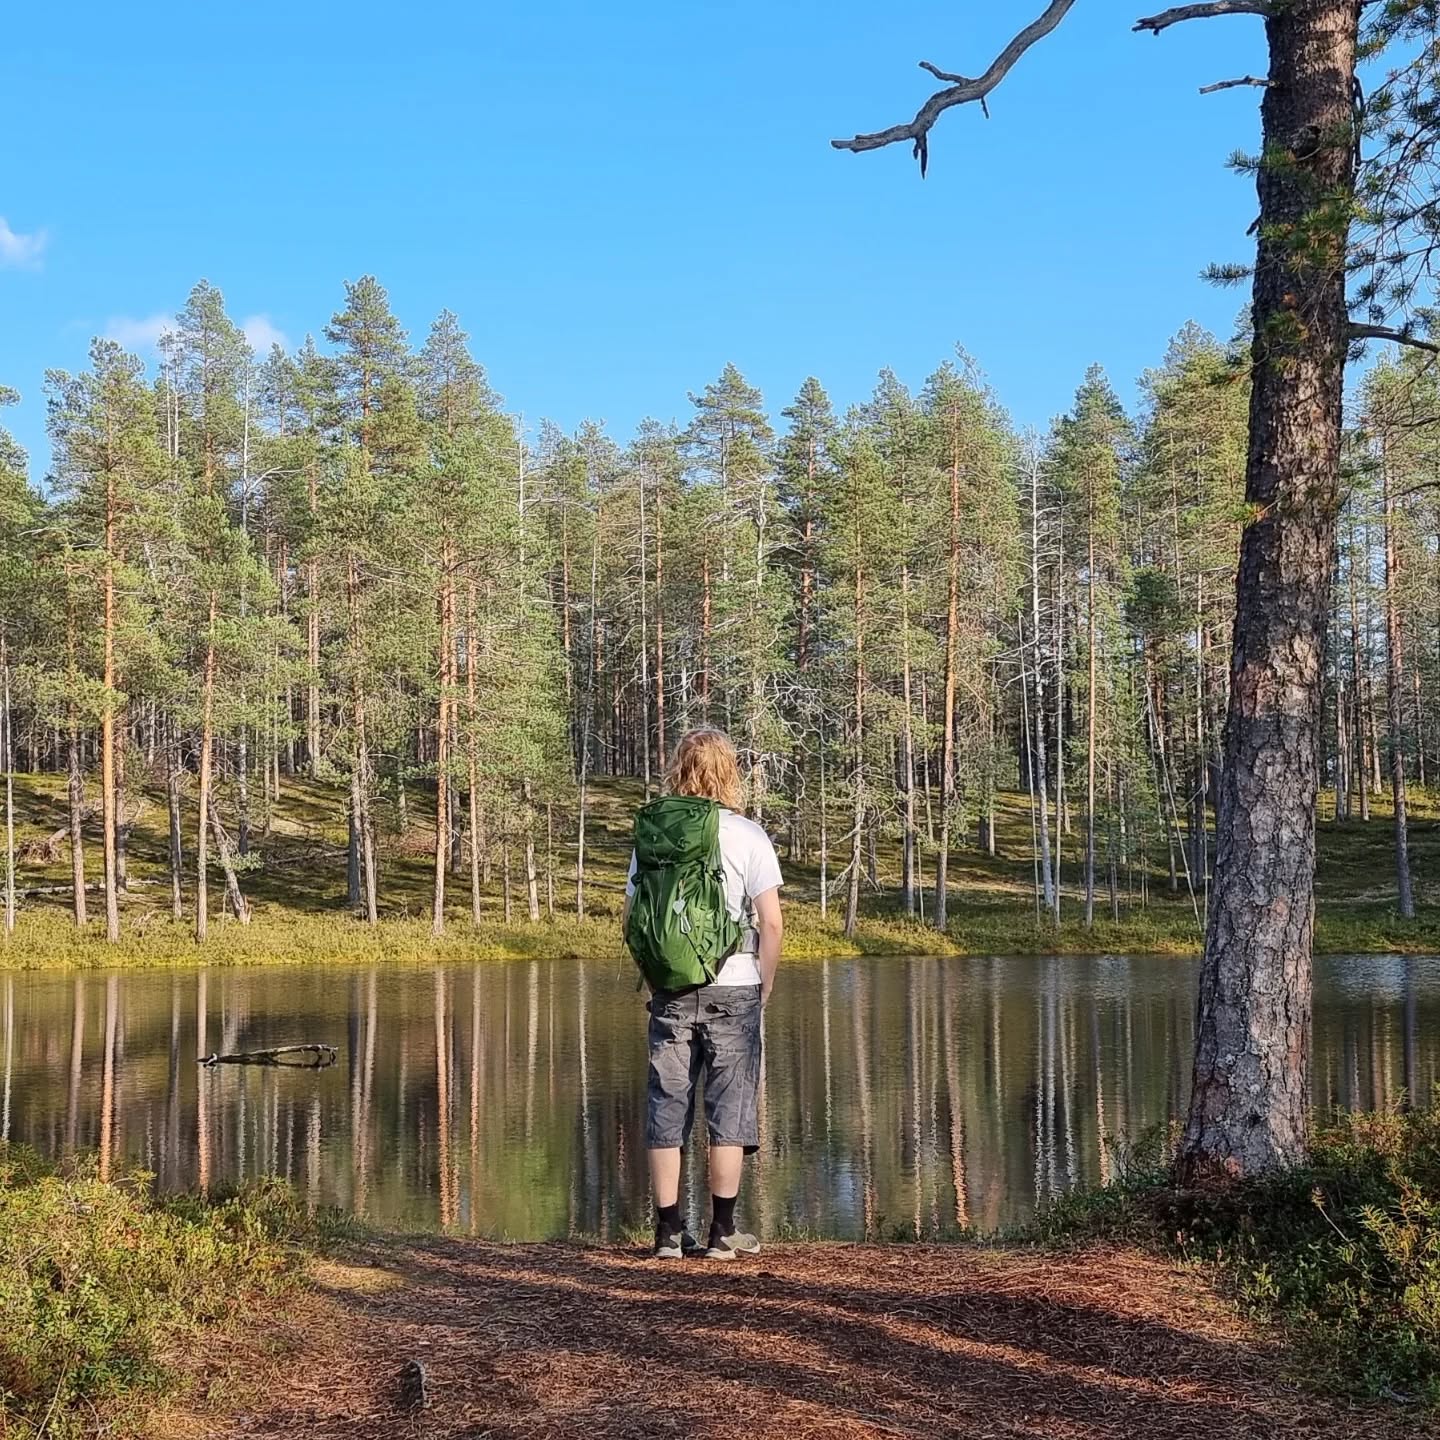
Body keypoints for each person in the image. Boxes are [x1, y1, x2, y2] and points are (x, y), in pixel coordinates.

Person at [622, 727, 783, 1260]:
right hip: (735, 984)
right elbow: (772, 923)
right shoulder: (747, 834)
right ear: (728, 771)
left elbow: (633, 916)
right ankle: (723, 1233)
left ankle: (668, 1234)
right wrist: (765, 985)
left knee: (667, 1103)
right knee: (728, 1107)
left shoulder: (653, 835)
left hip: (670, 986)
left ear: (678, 768)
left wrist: (658, 972)